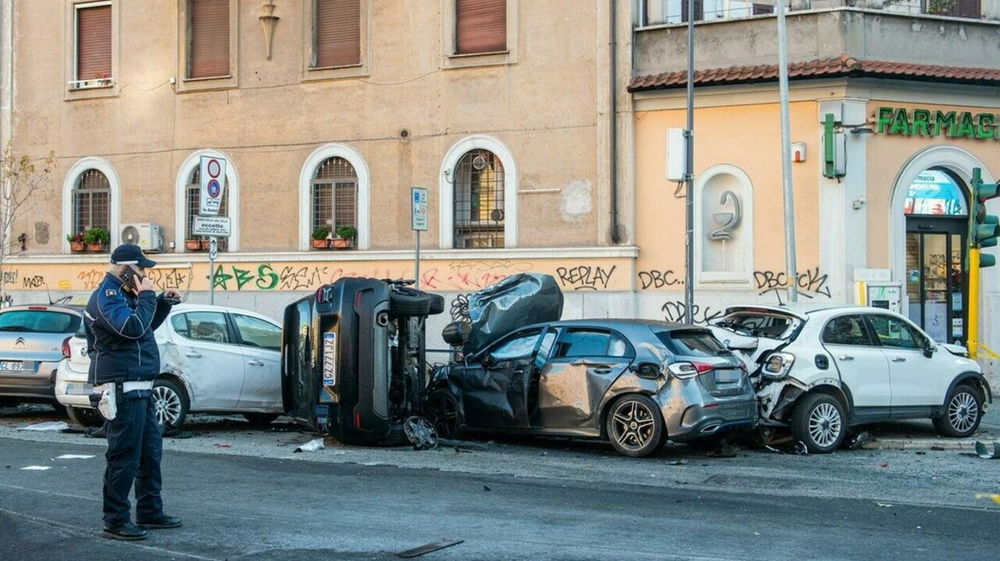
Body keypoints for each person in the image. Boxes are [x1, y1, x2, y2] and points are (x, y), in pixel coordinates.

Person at [84, 244, 182, 541]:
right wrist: (149, 296)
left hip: (142, 387)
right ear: (126, 270)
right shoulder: (107, 297)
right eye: (141, 269)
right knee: (124, 457)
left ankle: (150, 511)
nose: (145, 274)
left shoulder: (127, 296)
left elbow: (144, 327)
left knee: (150, 454)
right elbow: (131, 328)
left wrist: (161, 303)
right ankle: (115, 520)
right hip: (120, 389)